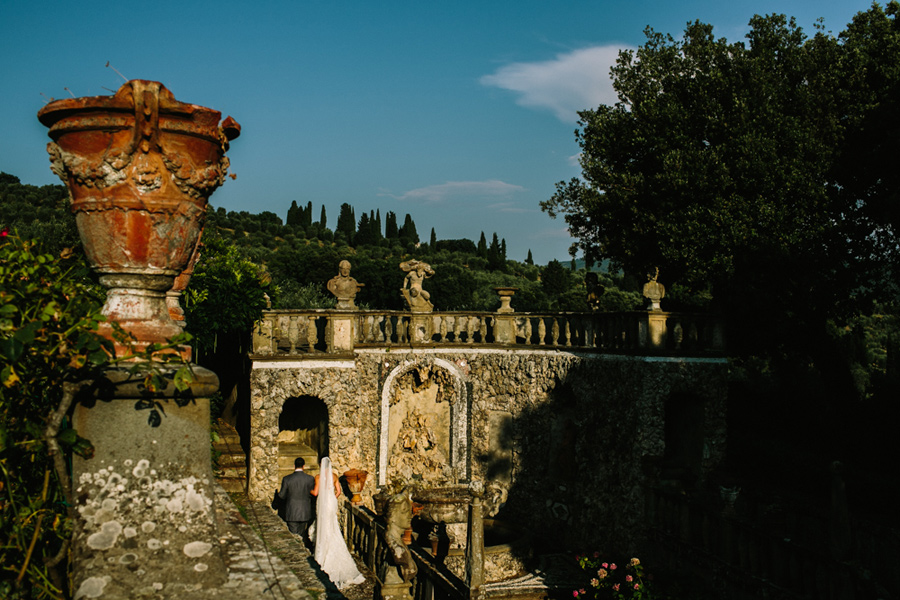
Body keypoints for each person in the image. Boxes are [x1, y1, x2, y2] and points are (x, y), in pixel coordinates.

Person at [311, 457, 365, 589]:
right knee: (332, 525)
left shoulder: (318, 477)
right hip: (331, 502)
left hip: (322, 503)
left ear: (320, 465)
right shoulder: (334, 476)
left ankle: (322, 553)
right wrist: (331, 498)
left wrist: (310, 491)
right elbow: (339, 492)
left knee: (322, 524)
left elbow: (316, 492)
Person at [277, 457, 316, 543]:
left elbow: (282, 496)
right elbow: (313, 494)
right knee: (302, 534)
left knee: (293, 536)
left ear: (294, 466)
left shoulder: (287, 479)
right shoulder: (310, 479)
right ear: (303, 466)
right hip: (305, 511)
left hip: (292, 511)